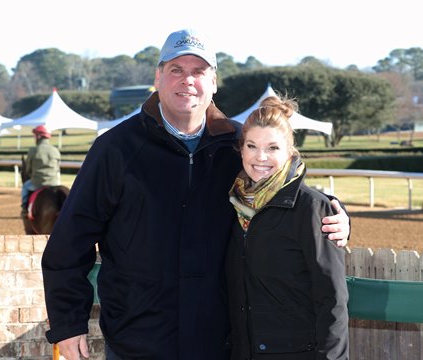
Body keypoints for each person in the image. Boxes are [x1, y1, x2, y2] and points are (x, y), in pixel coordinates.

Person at [41, 28, 350, 360]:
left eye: (198, 71)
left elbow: (286, 189)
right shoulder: (115, 149)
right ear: (158, 78)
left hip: (217, 341)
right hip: (137, 342)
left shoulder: (237, 144)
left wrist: (336, 214)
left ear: (213, 83)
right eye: (176, 70)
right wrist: (69, 322)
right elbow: (69, 242)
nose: (187, 80)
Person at [225, 95, 349, 360]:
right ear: (241, 149)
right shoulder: (233, 204)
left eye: (273, 148)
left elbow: (332, 299)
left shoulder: (312, 208)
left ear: (290, 151)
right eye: (252, 146)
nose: (261, 157)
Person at [21, 124, 61, 213]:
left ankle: (24, 208)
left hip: (38, 183)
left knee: (25, 187)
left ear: (38, 136)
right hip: (54, 182)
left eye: (35, 136)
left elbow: (28, 169)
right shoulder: (55, 150)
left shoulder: (33, 150)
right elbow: (57, 167)